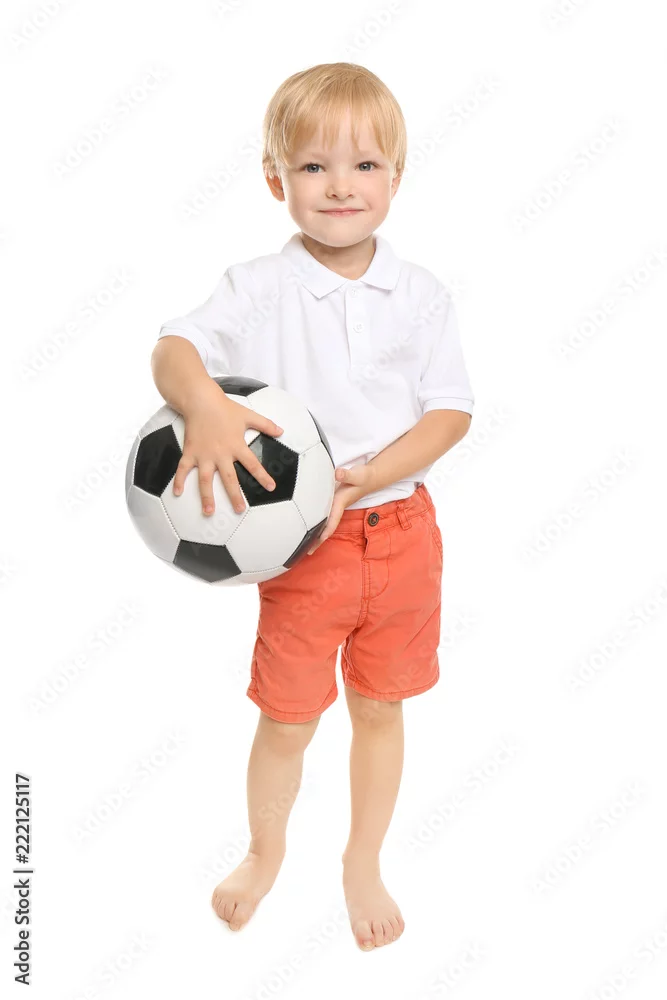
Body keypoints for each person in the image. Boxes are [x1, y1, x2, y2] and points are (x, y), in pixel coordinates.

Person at [151, 62, 474, 951]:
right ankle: (264, 852)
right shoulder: (259, 286)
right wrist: (204, 404)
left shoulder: (421, 294)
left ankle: (362, 860)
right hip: (303, 548)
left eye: (365, 165)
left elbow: (449, 412)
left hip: (402, 537)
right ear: (275, 180)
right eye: (313, 166)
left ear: (396, 178)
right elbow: (174, 347)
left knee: (380, 707)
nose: (340, 186)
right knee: (288, 717)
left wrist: (367, 477)